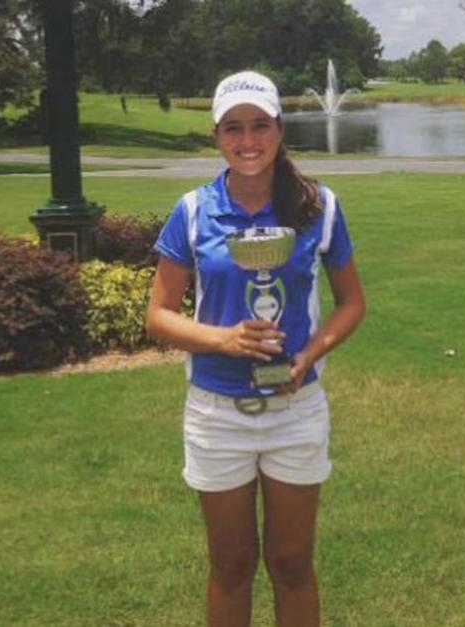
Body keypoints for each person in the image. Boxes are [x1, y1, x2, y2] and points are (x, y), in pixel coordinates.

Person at [146, 70, 366, 627]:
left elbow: (351, 303)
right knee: (231, 566)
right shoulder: (193, 212)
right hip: (218, 414)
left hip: (296, 411)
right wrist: (224, 339)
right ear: (217, 135)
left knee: (293, 564)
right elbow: (159, 315)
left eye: (260, 125)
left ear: (280, 129)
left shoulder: (320, 207)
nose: (249, 141)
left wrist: (309, 356)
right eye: (234, 128)